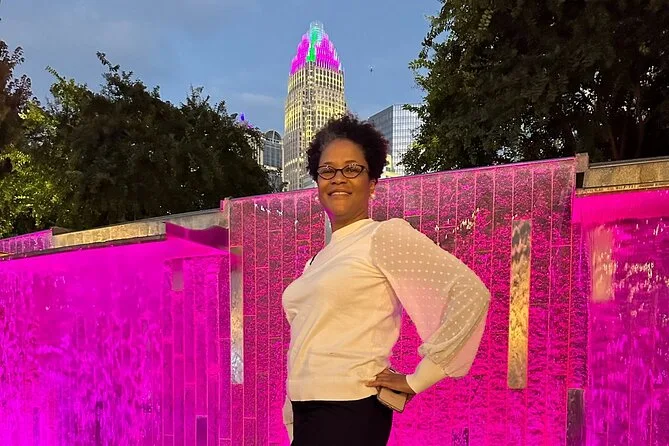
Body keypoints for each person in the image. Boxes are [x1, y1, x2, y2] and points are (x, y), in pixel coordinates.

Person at [282, 114, 491, 446]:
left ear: (372, 183)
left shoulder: (382, 236)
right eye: (327, 170)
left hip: (348, 408)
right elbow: (310, 338)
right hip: (309, 409)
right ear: (318, 183)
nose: (338, 178)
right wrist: (292, 410)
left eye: (352, 169)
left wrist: (419, 378)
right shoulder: (317, 260)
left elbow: (470, 294)